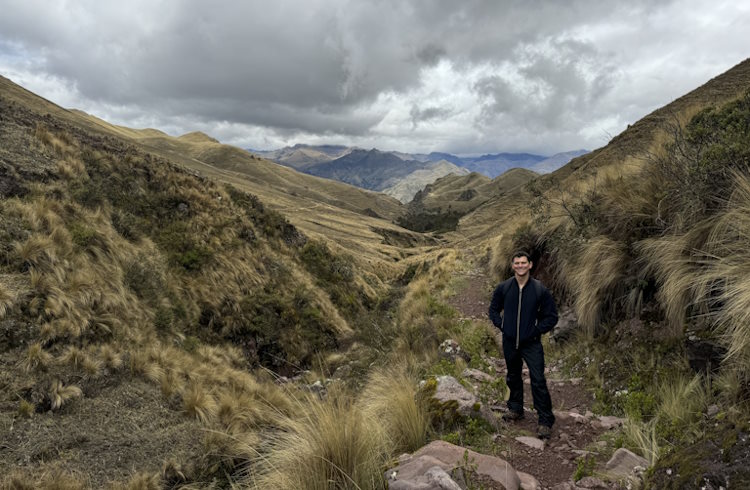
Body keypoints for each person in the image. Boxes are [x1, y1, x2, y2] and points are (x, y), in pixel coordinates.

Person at [488, 251, 558, 439]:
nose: (520, 266)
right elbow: (493, 309)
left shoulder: (539, 289)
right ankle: (516, 409)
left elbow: (551, 317)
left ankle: (545, 421)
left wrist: (536, 330)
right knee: (512, 376)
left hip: (531, 343)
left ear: (530, 265)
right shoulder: (504, 288)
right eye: (517, 263)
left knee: (538, 380)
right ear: (513, 266)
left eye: (523, 263)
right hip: (510, 341)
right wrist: (501, 325)